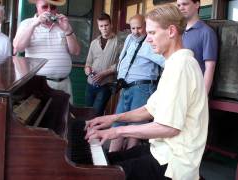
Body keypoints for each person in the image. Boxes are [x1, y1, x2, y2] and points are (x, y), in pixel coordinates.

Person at [85, 4, 208, 180]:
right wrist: (112, 119)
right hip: (161, 150)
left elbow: (169, 128)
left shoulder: (181, 67)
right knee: (106, 160)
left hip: (175, 163)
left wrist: (116, 132)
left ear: (171, 31)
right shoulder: (175, 64)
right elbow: (149, 110)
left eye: (152, 33)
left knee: (105, 174)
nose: (147, 39)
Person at [109, 14, 165, 152]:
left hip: (142, 87)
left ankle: (127, 160)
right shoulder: (129, 38)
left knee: (135, 128)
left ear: (145, 26)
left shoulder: (152, 41)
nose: (135, 31)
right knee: (118, 122)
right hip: (126, 87)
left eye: (139, 28)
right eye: (132, 28)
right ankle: (111, 159)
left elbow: (166, 61)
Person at [13, 0, 80, 103]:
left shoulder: (63, 24)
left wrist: (67, 30)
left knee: (66, 117)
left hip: (64, 83)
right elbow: (18, 47)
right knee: (41, 117)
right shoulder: (26, 24)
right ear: (37, 6)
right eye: (45, 7)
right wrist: (34, 24)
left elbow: (75, 51)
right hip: (39, 85)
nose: (49, 10)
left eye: (53, 7)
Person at [84, 12, 122, 116]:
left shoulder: (119, 42)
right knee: (87, 112)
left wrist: (104, 73)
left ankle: (96, 132)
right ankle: (86, 133)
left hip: (106, 85)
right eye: (101, 26)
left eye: (106, 25)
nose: (104, 28)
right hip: (90, 84)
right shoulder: (94, 43)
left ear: (111, 25)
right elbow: (88, 63)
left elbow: (121, 63)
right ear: (98, 27)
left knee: (96, 114)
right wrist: (87, 69)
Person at [177, 0, 218, 93]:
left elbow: (210, 66)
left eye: (185, 4)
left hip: (194, 91)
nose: (181, 8)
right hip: (178, 88)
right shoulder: (179, 32)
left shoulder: (206, 32)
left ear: (197, 5)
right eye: (178, 5)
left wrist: (202, 96)